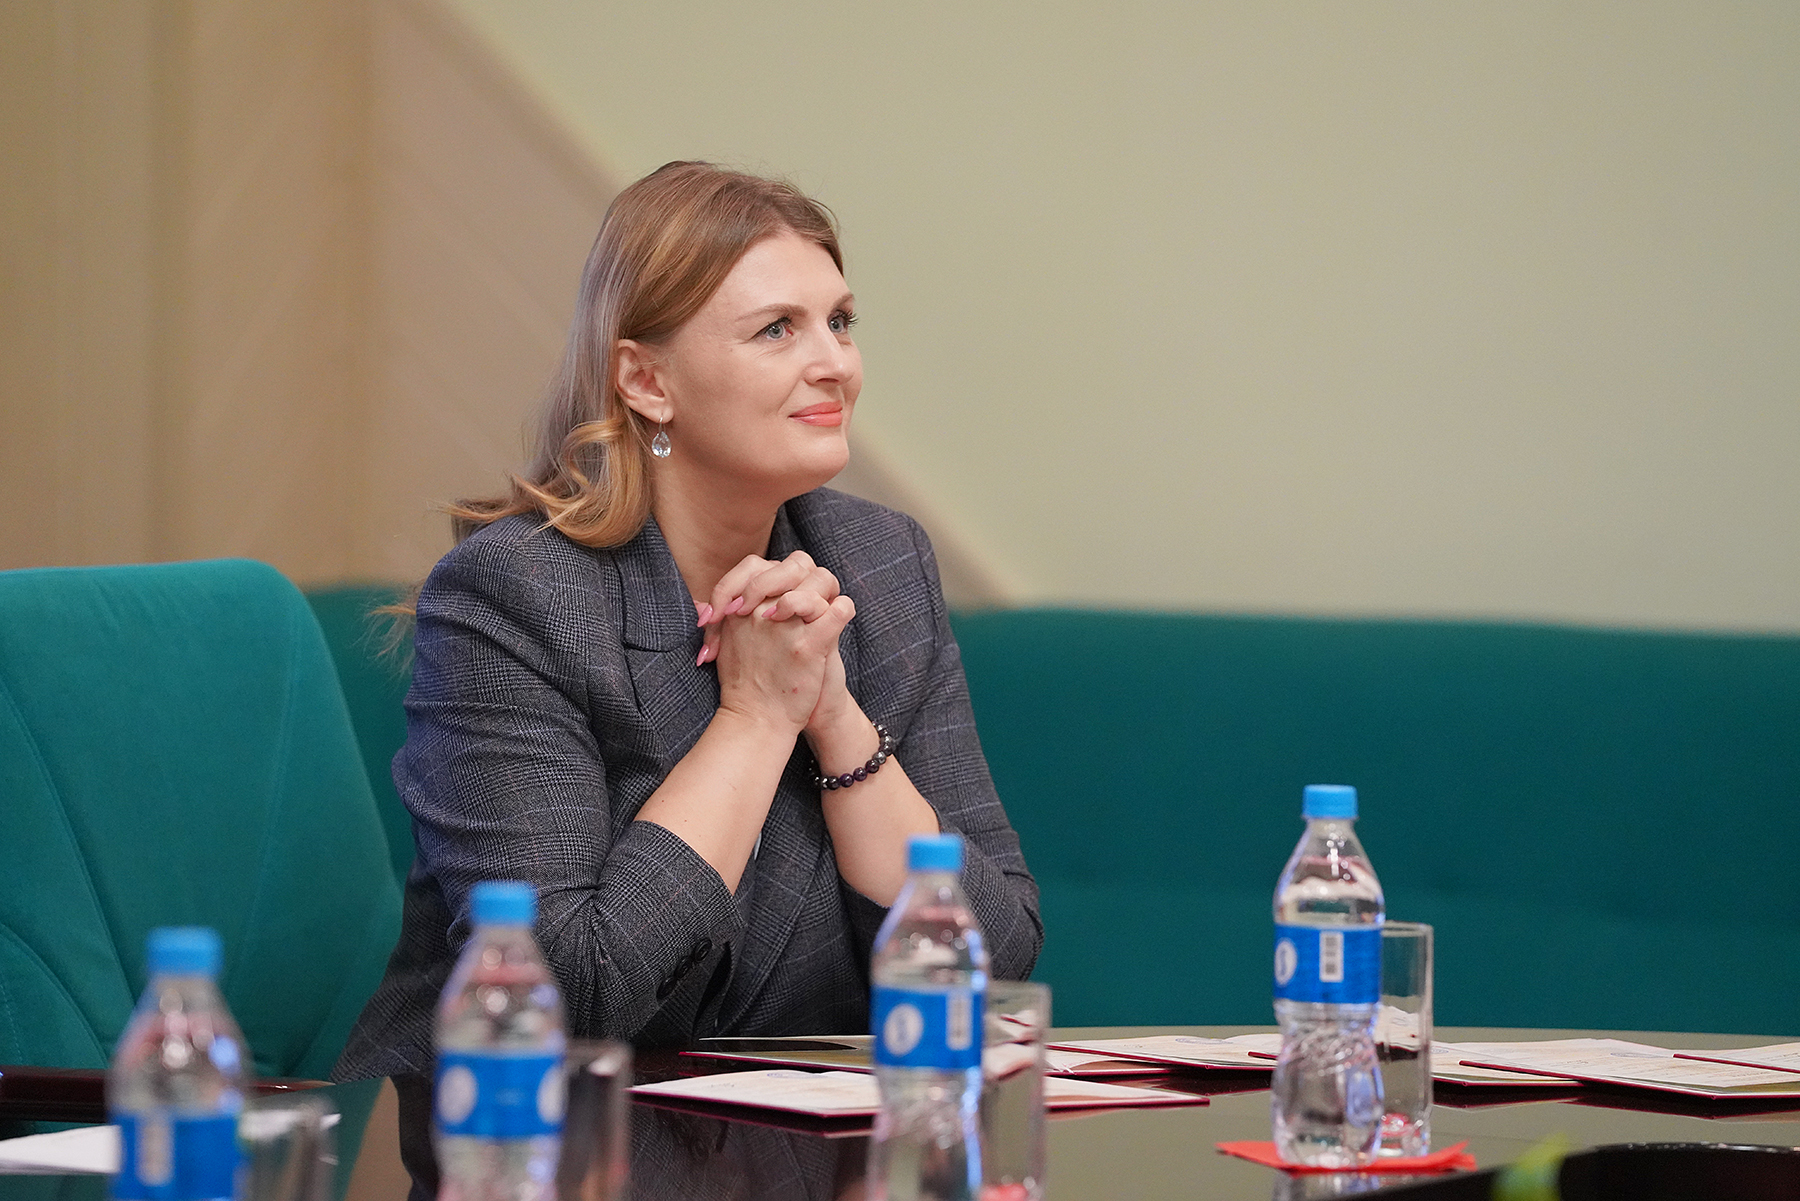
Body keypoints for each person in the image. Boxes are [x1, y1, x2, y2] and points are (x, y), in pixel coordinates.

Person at [335, 162, 1041, 1080]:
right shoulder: (516, 595)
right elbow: (562, 995)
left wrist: (833, 716)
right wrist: (756, 716)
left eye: (839, 321)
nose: (834, 362)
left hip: (780, 1136)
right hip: (510, 1128)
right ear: (646, 380)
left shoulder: (878, 563)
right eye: (777, 329)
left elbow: (994, 953)